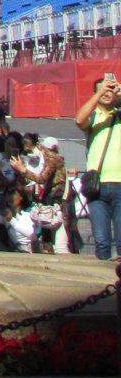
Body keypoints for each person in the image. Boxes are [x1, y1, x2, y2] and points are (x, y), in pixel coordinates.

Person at [75, 74, 121, 259]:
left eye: (110, 89)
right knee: (101, 241)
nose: (107, 93)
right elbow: (79, 119)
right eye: (102, 90)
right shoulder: (94, 116)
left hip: (120, 184)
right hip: (97, 186)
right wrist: (99, 92)